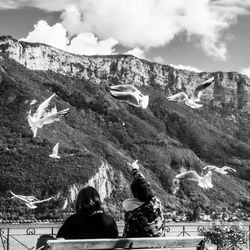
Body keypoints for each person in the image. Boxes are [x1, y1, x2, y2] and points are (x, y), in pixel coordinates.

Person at [36, 186, 118, 249]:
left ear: (80, 201)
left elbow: (59, 241)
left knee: (43, 239)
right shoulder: (110, 220)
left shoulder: (73, 220)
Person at [122, 160, 166, 237]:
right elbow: (143, 185)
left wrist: (135, 169)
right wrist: (135, 170)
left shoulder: (132, 211)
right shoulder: (156, 203)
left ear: (135, 194)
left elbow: (127, 235)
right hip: (159, 246)